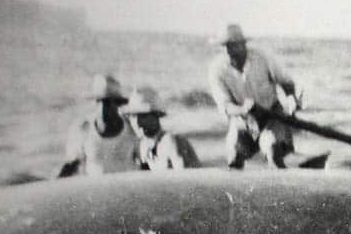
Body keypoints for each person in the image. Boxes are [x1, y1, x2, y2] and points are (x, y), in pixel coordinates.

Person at [208, 23, 301, 169]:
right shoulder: (217, 69)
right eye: (225, 46)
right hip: (243, 120)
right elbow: (225, 106)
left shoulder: (263, 57)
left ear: (243, 44)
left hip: (272, 115)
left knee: (272, 147)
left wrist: (292, 99)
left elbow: (286, 82)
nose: (229, 51)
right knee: (233, 153)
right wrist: (243, 110)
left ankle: (282, 184)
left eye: (233, 45)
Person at [58, 74, 138, 178]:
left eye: (108, 103)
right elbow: (71, 164)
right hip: (97, 191)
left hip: (127, 190)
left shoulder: (132, 127)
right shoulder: (83, 128)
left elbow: (146, 161)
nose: (103, 108)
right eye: (99, 102)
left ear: (118, 104)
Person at [120, 86, 200, 170]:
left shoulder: (172, 141)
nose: (137, 123)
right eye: (133, 116)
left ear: (156, 115)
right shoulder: (141, 147)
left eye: (143, 116)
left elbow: (185, 179)